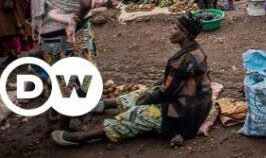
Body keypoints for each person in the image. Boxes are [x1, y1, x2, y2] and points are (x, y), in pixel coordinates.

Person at [51, 13, 212, 147]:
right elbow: (172, 84)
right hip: (198, 106)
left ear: (185, 34)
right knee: (142, 94)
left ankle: (80, 137)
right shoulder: (196, 51)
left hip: (185, 116)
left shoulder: (182, 60)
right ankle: (100, 105)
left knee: (134, 116)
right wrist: (151, 92)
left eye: (175, 28)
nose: (171, 30)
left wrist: (148, 99)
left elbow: (166, 93)